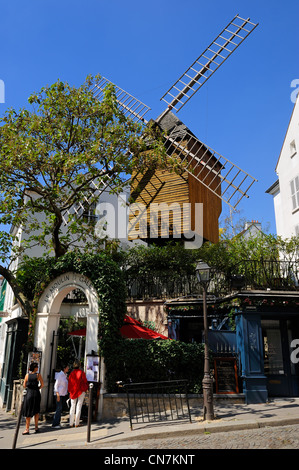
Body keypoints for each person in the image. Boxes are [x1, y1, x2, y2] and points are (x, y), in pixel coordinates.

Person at [22, 362, 44, 434]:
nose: (37, 368)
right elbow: (42, 384)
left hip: (29, 393)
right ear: (35, 368)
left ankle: (27, 429)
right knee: (36, 411)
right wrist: (37, 388)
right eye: (37, 367)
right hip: (36, 393)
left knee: (28, 411)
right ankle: (36, 427)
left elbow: (24, 385)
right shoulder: (38, 375)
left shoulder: (27, 375)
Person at [68, 359, 88, 427]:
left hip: (73, 391)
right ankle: (76, 423)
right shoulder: (82, 372)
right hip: (80, 391)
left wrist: (70, 391)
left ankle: (71, 423)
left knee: (72, 407)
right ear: (79, 365)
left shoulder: (71, 373)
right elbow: (85, 381)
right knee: (79, 406)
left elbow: (69, 383)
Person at [52, 364, 69, 429]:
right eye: (67, 367)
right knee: (58, 408)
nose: (68, 368)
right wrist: (57, 394)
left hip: (63, 394)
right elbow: (56, 385)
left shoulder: (64, 375)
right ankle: (55, 423)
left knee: (60, 408)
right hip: (59, 394)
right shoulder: (60, 375)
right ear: (64, 368)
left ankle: (57, 422)